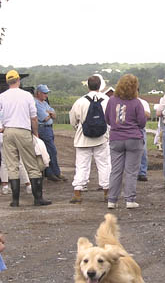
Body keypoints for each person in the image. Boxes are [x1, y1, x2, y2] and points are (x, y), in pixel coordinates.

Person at [0, 70, 51, 207]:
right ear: (18, 80)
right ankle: (38, 198)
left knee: (12, 165)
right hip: (23, 130)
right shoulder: (26, 96)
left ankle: (15, 200)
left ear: (7, 81)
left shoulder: (2, 96)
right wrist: (35, 133)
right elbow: (33, 117)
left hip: (8, 131)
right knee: (32, 165)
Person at [104, 74, 147, 209]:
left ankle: (112, 200)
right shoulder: (136, 102)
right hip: (134, 139)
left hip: (116, 138)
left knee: (116, 171)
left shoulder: (111, 100)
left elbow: (107, 119)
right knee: (131, 171)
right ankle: (130, 200)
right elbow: (142, 123)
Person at [68, 75, 111, 204]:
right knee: (104, 165)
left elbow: (72, 120)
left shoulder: (80, 101)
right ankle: (107, 191)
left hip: (83, 138)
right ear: (100, 86)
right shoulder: (107, 100)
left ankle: (77, 192)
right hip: (102, 137)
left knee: (81, 165)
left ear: (88, 86)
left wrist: (78, 128)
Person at [34, 84, 66, 182]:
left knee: (50, 151)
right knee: (50, 150)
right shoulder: (36, 103)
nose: (46, 95)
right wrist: (49, 114)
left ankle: (53, 173)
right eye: (44, 93)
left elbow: (54, 115)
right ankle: (53, 173)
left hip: (48, 128)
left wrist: (50, 113)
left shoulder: (44, 103)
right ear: (38, 93)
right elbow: (44, 118)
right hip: (43, 128)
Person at [137, 94, 151, 182]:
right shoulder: (125, 101)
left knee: (143, 151)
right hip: (130, 127)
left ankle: (142, 172)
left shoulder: (143, 102)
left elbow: (148, 114)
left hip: (140, 128)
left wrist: (139, 109)